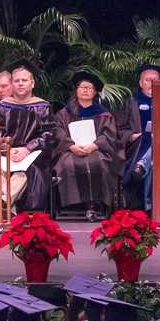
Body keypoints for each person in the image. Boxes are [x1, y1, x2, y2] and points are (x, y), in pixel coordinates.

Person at [0, 60, 53, 212]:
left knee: (24, 170)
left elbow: (48, 134)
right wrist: (8, 150)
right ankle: (5, 208)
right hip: (7, 152)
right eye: (16, 81)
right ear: (12, 84)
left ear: (32, 83)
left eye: (24, 80)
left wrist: (27, 149)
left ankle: (1, 203)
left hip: (34, 153)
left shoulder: (42, 107)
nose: (20, 84)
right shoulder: (2, 106)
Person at [52, 71, 117, 219]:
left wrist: (94, 145)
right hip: (70, 150)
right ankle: (73, 204)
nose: (86, 90)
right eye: (82, 87)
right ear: (76, 90)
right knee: (67, 164)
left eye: (90, 88)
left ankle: (94, 205)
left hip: (96, 149)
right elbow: (58, 132)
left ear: (95, 92)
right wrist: (70, 146)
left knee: (99, 162)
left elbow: (109, 135)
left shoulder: (103, 114)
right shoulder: (64, 113)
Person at [122, 62, 160, 211]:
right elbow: (119, 129)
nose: (152, 84)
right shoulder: (131, 103)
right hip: (138, 146)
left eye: (155, 80)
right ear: (140, 83)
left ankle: (142, 166)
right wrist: (131, 136)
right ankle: (148, 206)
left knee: (155, 152)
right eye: (147, 80)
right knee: (153, 160)